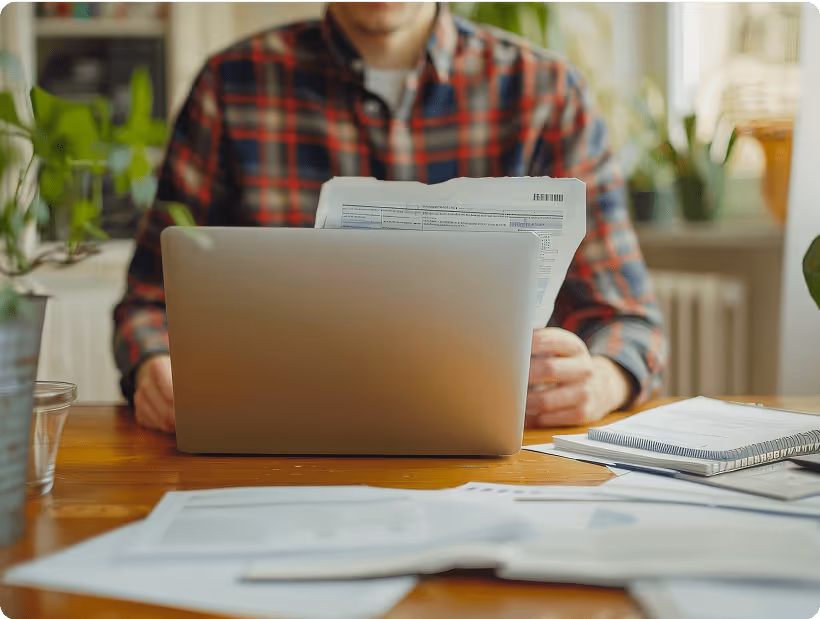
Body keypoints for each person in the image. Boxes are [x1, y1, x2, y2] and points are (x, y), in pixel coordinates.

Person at [113, 1, 668, 435]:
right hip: (278, 446)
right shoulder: (231, 85)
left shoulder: (546, 94)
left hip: (498, 460)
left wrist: (601, 380)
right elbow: (148, 301)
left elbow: (630, 322)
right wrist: (152, 365)